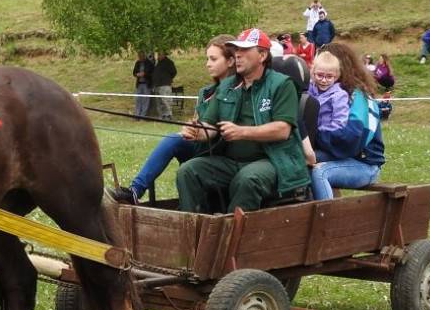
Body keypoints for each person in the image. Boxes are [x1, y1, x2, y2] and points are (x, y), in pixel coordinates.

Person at [175, 28, 310, 214]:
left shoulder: (281, 84)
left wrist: (242, 132)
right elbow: (210, 126)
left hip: (272, 161)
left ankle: (229, 236)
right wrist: (196, 132)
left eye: (244, 50)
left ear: (262, 55)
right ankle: (194, 230)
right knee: (188, 171)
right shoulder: (226, 86)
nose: (237, 55)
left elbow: (282, 130)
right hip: (230, 162)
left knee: (247, 178)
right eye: (235, 50)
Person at [113, 35, 236, 204]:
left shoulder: (239, 90)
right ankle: (135, 190)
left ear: (230, 61)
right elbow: (197, 121)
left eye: (213, 59)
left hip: (222, 154)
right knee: (173, 139)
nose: (208, 64)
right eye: (207, 59)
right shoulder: (205, 92)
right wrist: (189, 129)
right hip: (201, 147)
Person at [308, 42, 385, 200]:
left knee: (319, 172)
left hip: (364, 164)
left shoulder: (359, 97)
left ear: (338, 69)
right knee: (296, 161)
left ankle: (325, 220)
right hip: (342, 155)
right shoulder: (326, 92)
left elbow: (350, 140)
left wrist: (314, 135)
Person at [309, 51, 350, 139]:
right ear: (313, 73)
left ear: (336, 76)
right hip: (305, 136)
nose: (324, 80)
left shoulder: (339, 95)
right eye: (320, 75)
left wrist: (318, 134)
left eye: (329, 76)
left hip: (327, 138)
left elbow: (339, 123)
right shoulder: (308, 88)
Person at [151, 51, 177, 119]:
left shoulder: (169, 62)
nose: (158, 56)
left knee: (166, 101)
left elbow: (174, 72)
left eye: (160, 54)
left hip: (165, 85)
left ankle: (168, 115)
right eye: (158, 54)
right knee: (159, 102)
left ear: (164, 55)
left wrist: (167, 79)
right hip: (157, 85)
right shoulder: (157, 63)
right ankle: (162, 116)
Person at [131, 50, 154, 118]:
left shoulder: (149, 63)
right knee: (138, 99)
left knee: (145, 100)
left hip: (147, 84)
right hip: (139, 84)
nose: (140, 57)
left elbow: (152, 74)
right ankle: (137, 115)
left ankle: (143, 115)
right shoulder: (137, 63)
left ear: (144, 56)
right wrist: (137, 74)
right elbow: (134, 72)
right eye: (139, 56)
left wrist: (145, 74)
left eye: (141, 56)